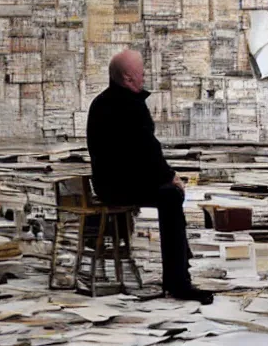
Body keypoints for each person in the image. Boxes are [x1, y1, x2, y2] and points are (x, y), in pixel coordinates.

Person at [86, 50, 214, 305]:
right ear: (127, 77)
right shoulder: (129, 105)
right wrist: (170, 177)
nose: (144, 76)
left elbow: (137, 155)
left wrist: (163, 176)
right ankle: (178, 283)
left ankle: (181, 265)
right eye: (140, 72)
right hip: (120, 186)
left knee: (168, 193)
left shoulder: (101, 102)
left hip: (109, 184)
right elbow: (146, 151)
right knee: (171, 196)